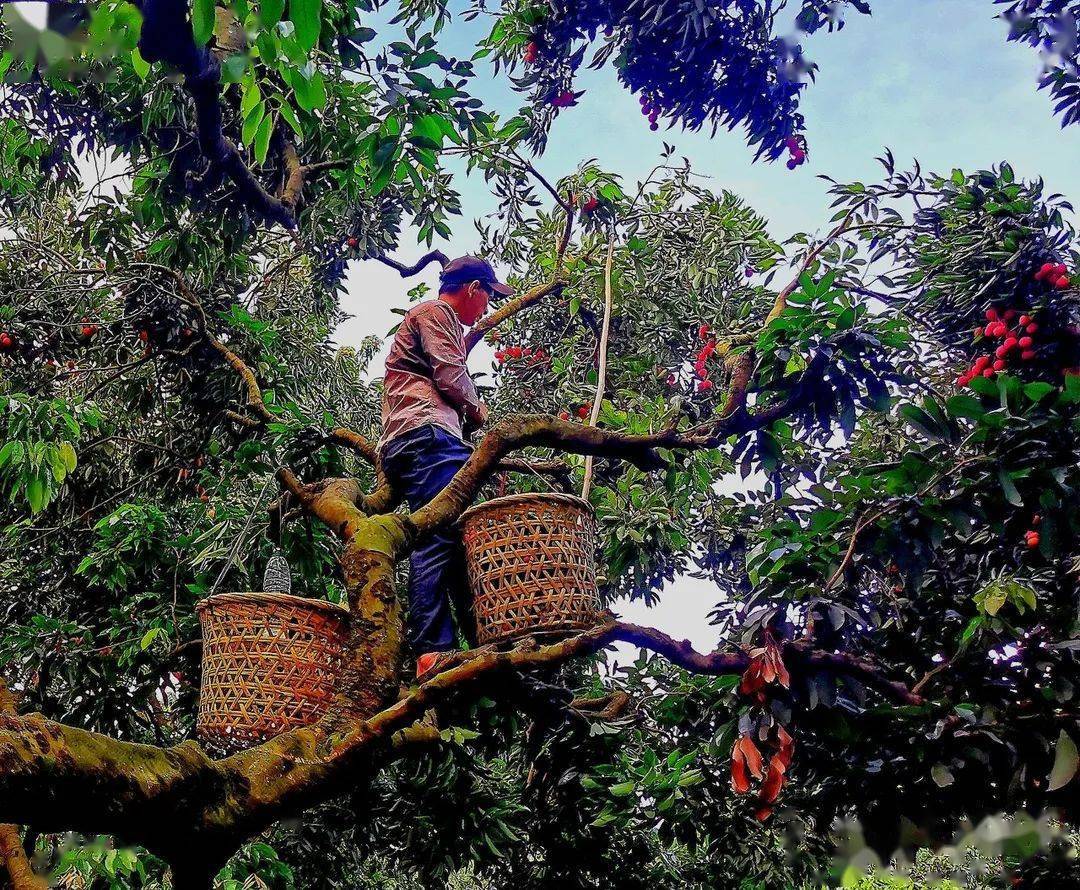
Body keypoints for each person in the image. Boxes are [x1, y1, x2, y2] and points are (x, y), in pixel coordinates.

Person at [379, 256, 514, 680]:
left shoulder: (427, 317)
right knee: (438, 538)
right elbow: (450, 371)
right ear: (473, 289)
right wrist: (477, 409)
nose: (489, 307)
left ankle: (472, 641)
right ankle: (432, 649)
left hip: (412, 439)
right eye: (489, 296)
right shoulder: (436, 313)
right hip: (426, 435)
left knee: (453, 537)